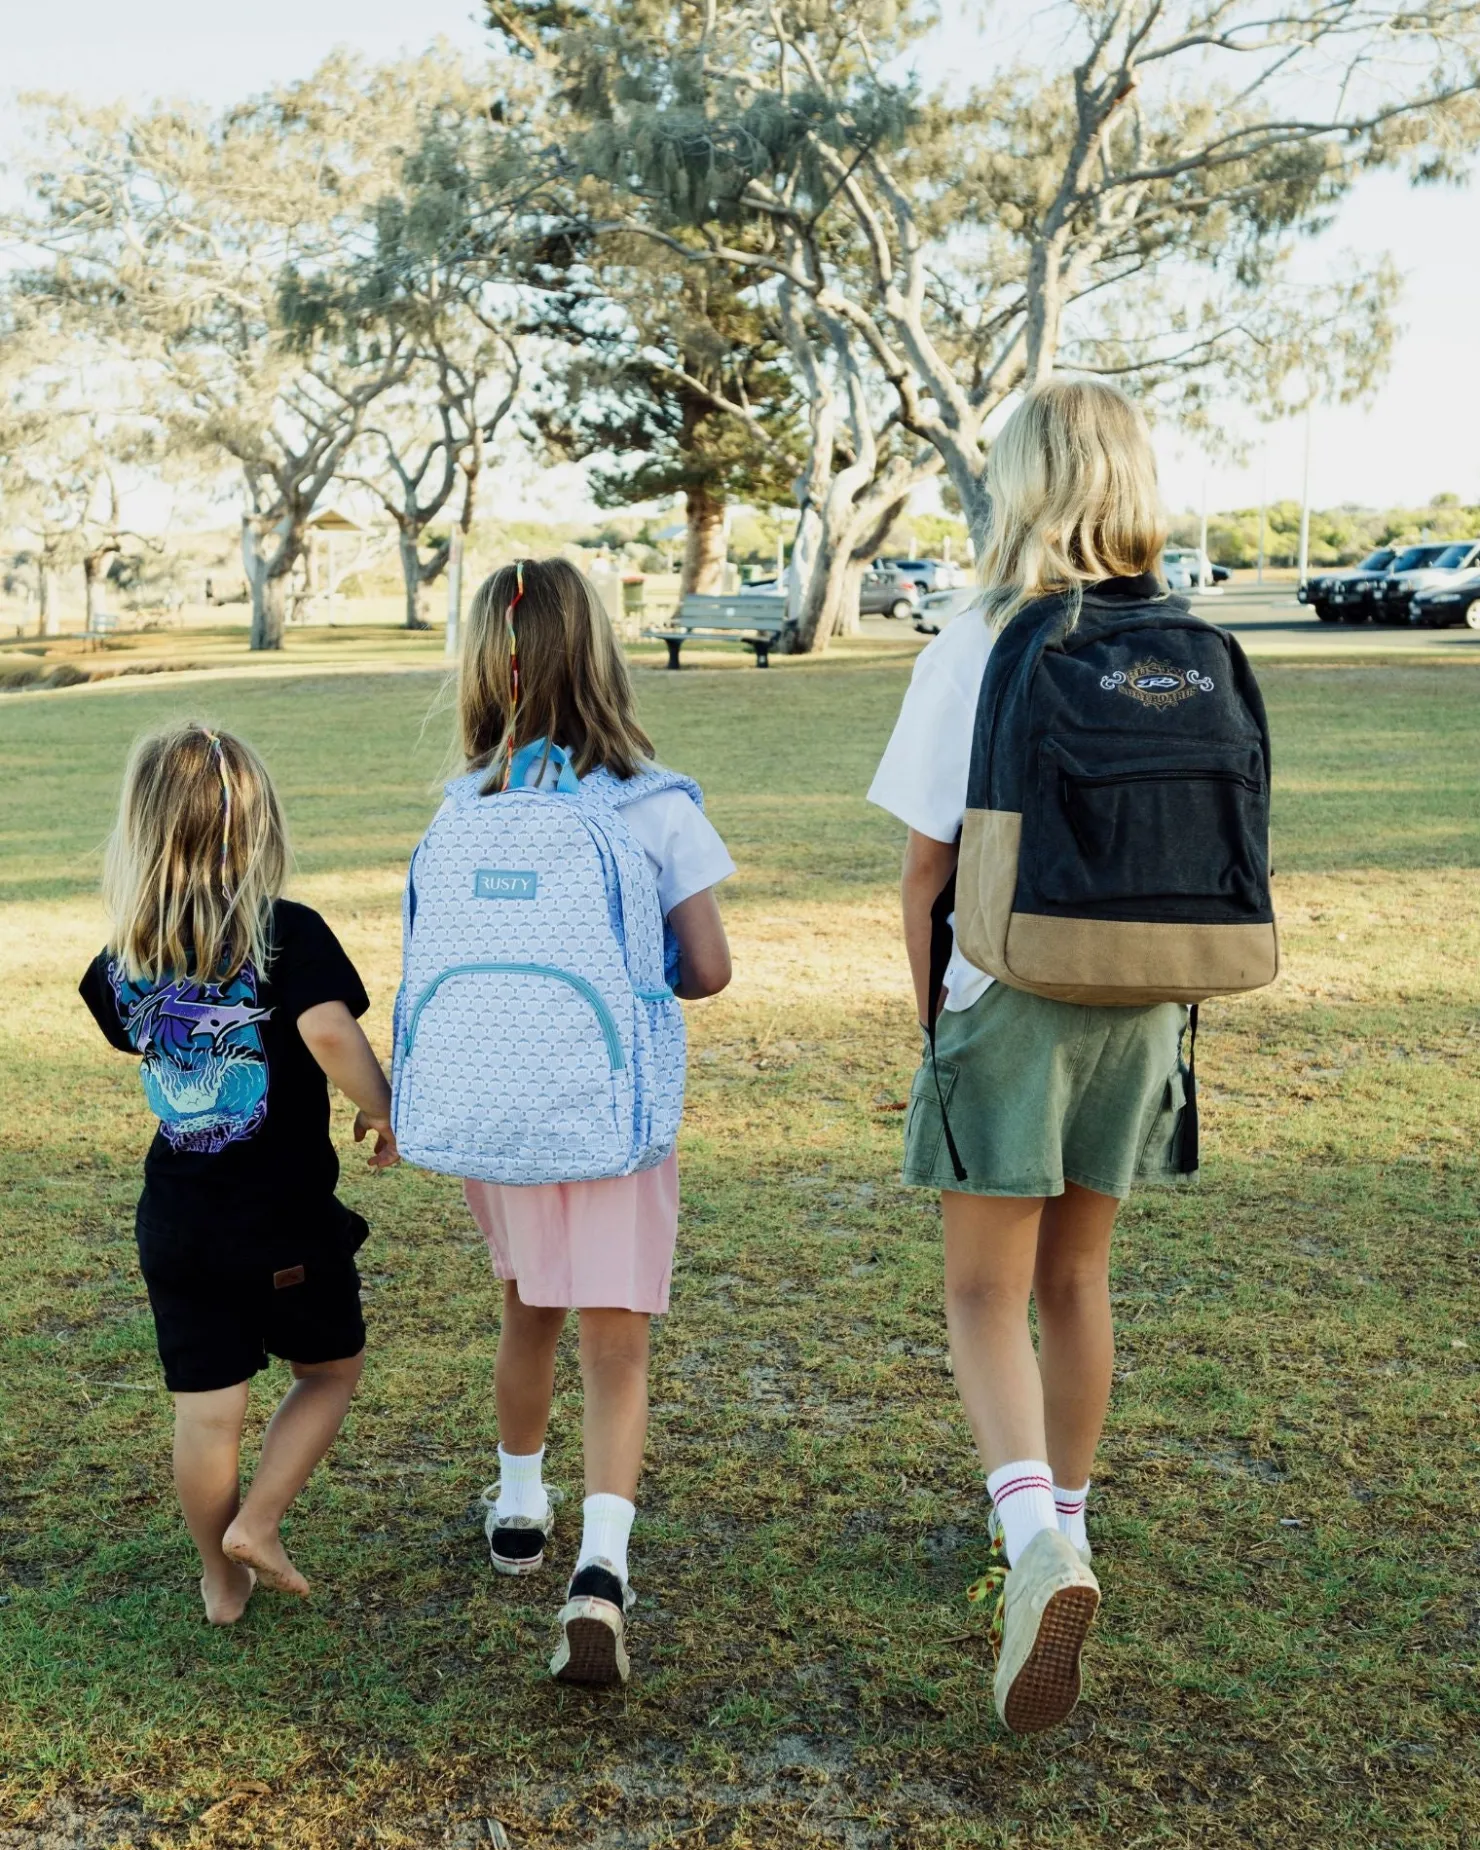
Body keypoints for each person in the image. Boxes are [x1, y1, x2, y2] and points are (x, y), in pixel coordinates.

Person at [868, 377, 1193, 1733]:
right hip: (1149, 997)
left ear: (1018, 484)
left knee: (980, 1292)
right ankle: (1073, 1519)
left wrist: (931, 1014)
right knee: (1078, 1274)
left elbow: (924, 866)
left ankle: (1029, 1546)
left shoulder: (982, 639)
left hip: (1008, 985)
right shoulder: (1182, 642)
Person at [451, 558, 733, 1685]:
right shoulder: (655, 801)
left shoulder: (466, 802)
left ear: (487, 667)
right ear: (604, 656)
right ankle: (601, 1567)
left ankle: (520, 1505)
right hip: (616, 1118)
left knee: (528, 1312)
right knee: (617, 1347)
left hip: (502, 1110)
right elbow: (707, 966)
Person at [79, 723, 398, 1624]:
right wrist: (382, 1107)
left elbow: (136, 1034)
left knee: (207, 1414)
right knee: (330, 1370)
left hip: (176, 1223)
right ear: (258, 828)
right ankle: (255, 1525)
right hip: (283, 1218)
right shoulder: (285, 934)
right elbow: (330, 1033)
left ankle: (221, 1585)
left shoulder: (122, 961)